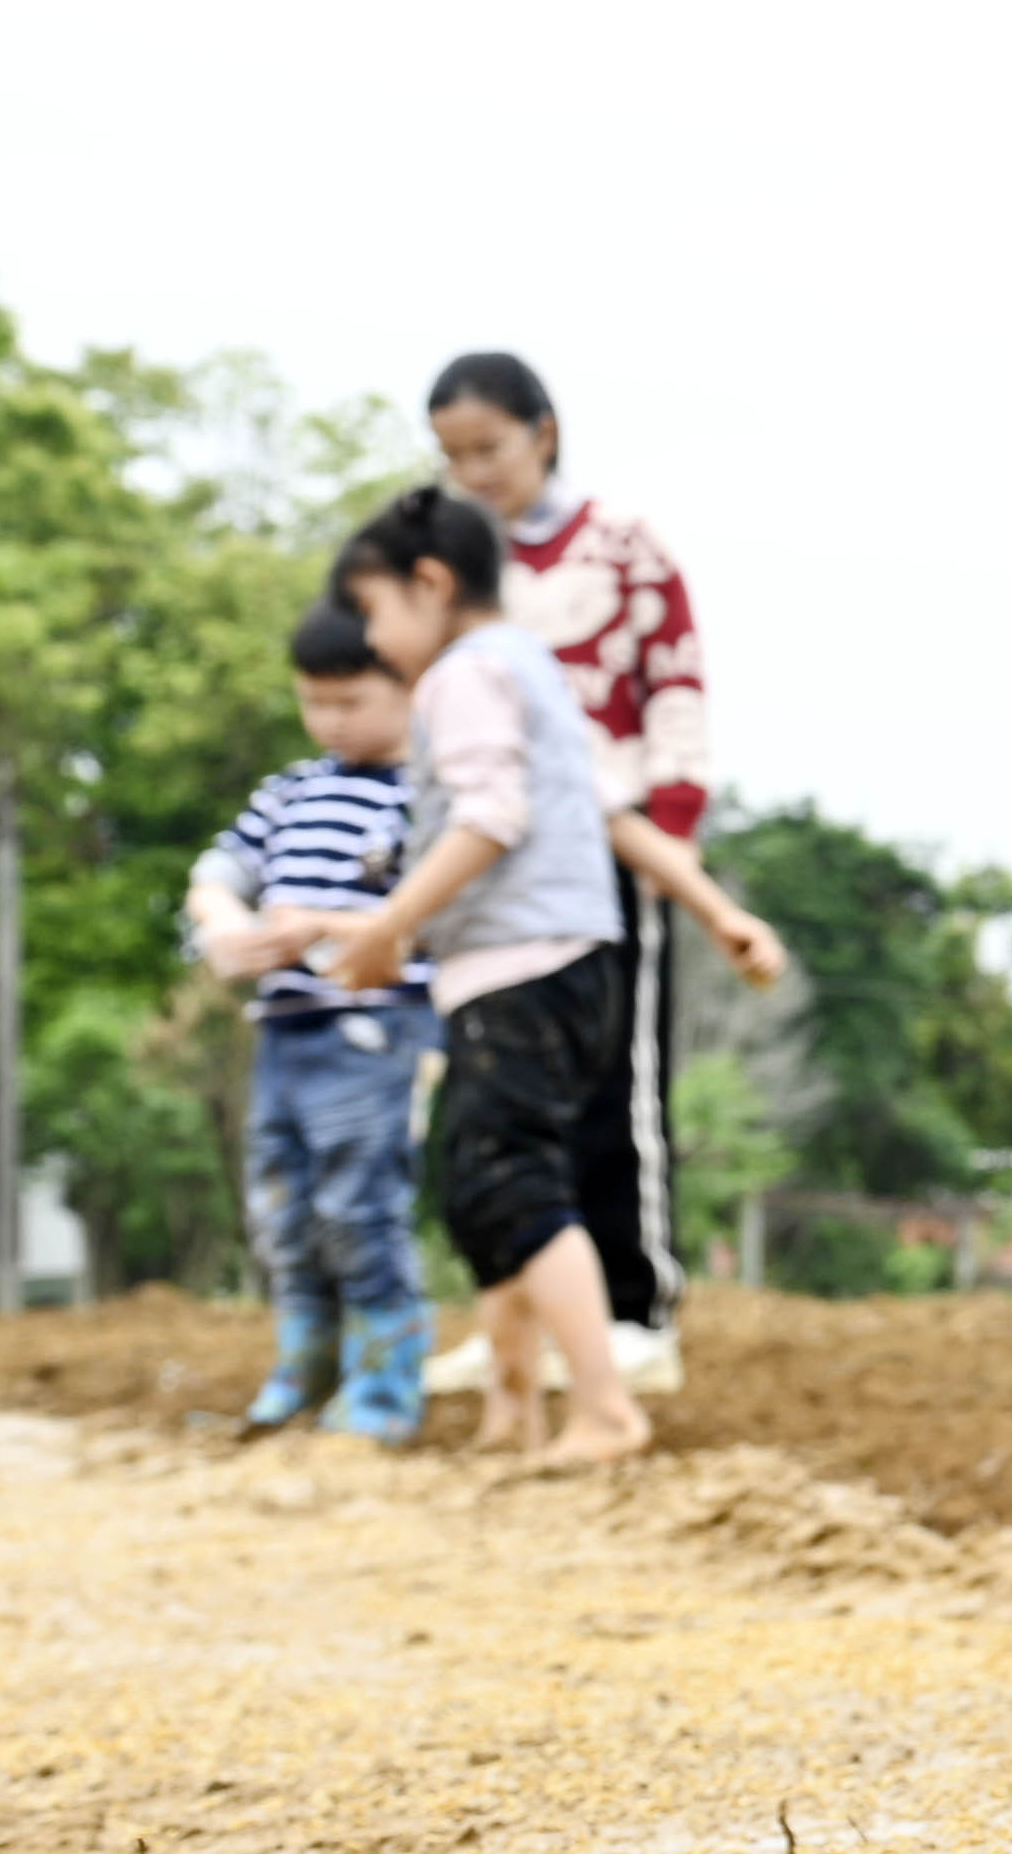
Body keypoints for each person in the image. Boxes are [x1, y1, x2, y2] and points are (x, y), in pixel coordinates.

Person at [312, 487, 670, 1468]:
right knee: (489, 1181)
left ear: (429, 585)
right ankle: (515, 1407)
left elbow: (491, 812)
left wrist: (392, 924)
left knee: (504, 1178)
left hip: (515, 967)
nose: (378, 640)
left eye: (376, 611)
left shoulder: (462, 675)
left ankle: (602, 1407)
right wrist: (716, 909)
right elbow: (602, 806)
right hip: (575, 957)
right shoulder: (534, 667)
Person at [418, 351, 713, 1401]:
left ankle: (636, 1309)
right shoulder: (452, 564)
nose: (475, 471)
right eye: (454, 456)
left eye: (489, 448)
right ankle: (517, 1314)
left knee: (614, 1093)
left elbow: (674, 687)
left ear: (544, 431)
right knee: (497, 1103)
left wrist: (672, 839)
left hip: (614, 851)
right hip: (497, 875)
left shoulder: (623, 549)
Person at [183, 599, 437, 1445]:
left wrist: (322, 930)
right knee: (284, 1212)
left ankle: (384, 1387)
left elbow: (436, 917)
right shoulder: (292, 791)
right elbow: (220, 870)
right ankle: (304, 1369)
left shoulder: (427, 799)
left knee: (359, 1205)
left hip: (377, 1031)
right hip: (285, 1033)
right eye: (313, 702)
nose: (329, 721)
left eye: (350, 702)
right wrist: (224, 924)